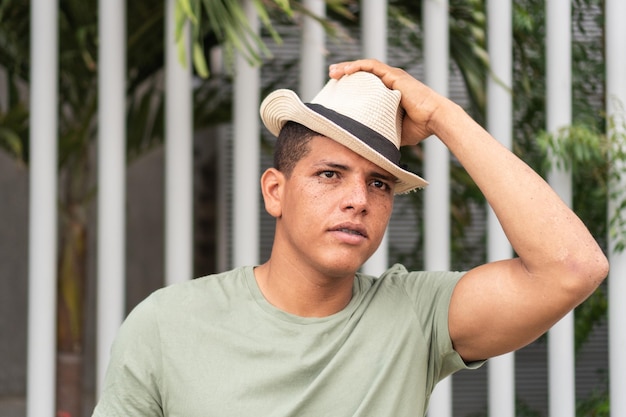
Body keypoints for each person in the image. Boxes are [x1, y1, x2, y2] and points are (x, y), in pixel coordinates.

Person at [92, 59, 609, 417]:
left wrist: (442, 116)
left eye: (379, 183)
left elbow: (572, 267)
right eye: (329, 174)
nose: (358, 199)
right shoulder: (166, 324)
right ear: (276, 191)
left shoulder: (415, 316)